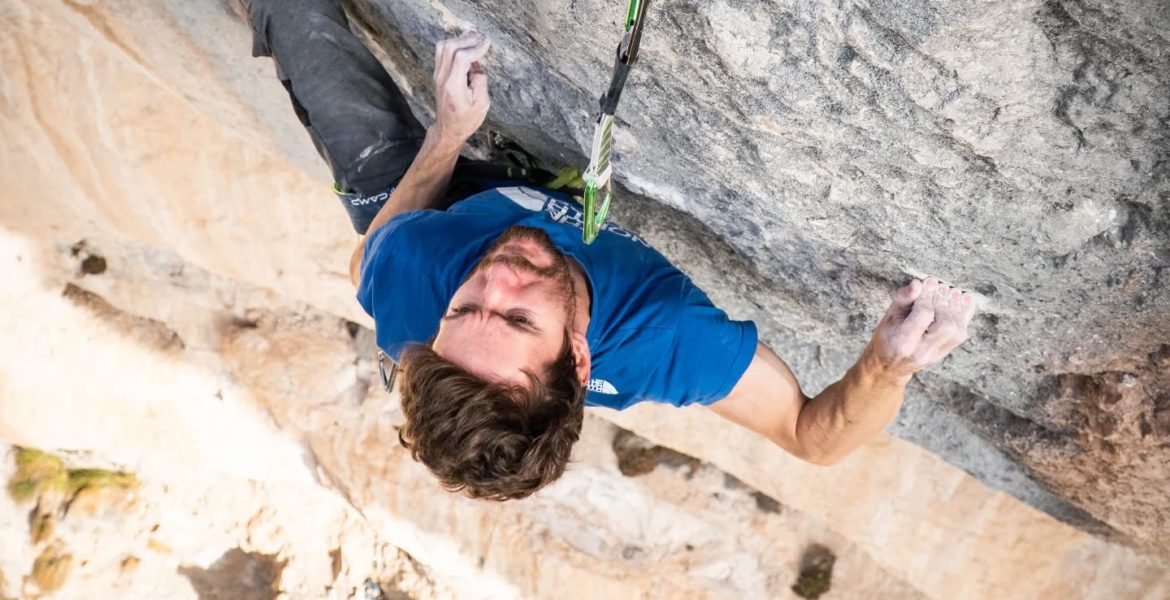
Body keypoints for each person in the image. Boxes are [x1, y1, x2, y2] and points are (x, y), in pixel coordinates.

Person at [246, 0, 977, 501]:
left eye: (467, 306)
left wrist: (447, 136)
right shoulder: (668, 341)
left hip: (444, 199)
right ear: (581, 358)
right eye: (518, 320)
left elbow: (364, 264)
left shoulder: (421, 305)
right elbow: (812, 438)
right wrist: (888, 366)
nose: (495, 280)